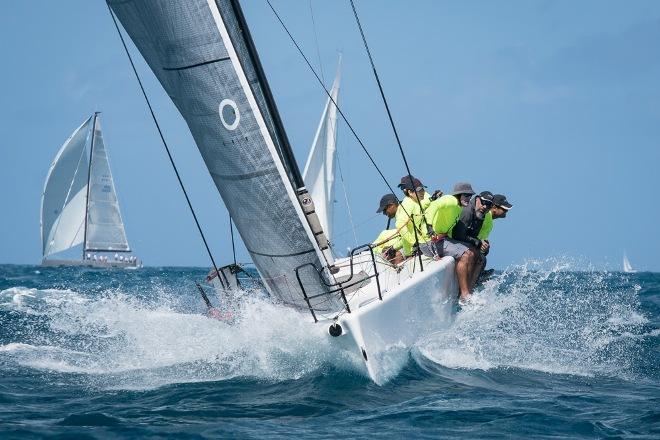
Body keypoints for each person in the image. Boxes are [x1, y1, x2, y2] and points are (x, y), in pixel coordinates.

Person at [425, 182, 482, 302]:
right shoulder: (450, 199)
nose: (468, 198)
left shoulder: (458, 208)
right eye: (466, 195)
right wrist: (429, 227)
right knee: (465, 254)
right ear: (458, 195)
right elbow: (432, 207)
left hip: (442, 239)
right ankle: (464, 294)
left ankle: (465, 290)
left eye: (470, 196)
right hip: (430, 242)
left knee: (472, 252)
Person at [452, 191, 494, 291]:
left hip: (463, 242)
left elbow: (472, 236)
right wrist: (478, 243)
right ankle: (464, 292)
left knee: (482, 258)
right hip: (451, 240)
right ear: (477, 199)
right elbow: (458, 235)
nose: (485, 207)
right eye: (483, 203)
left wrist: (483, 246)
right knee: (471, 254)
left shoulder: (481, 215)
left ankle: (470, 289)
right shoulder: (467, 211)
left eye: (488, 205)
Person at [395, 175, 435, 258]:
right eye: (402, 188)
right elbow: (401, 226)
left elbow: (424, 204)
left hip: (428, 240)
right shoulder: (408, 202)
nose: (403, 189)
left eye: (404, 187)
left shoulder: (418, 197)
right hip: (421, 244)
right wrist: (409, 250)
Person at [372, 194, 405, 264]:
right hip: (405, 244)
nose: (384, 213)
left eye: (384, 210)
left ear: (391, 205)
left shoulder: (402, 216)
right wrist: (384, 250)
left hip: (416, 245)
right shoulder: (385, 233)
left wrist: (393, 248)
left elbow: (408, 236)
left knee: (395, 256)